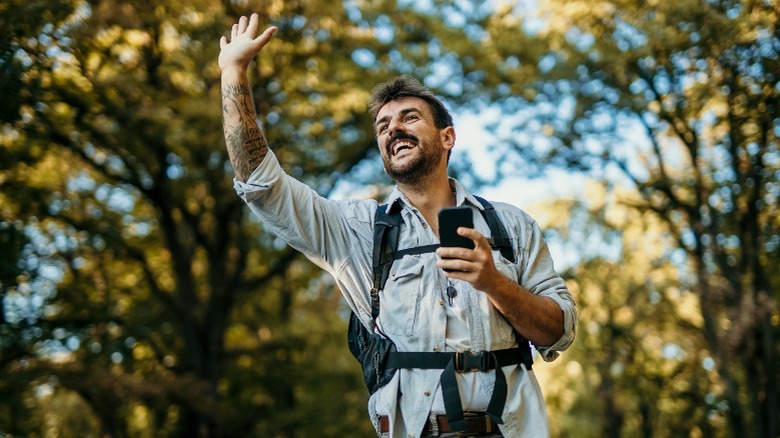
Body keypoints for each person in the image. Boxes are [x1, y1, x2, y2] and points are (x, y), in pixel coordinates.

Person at [219, 13, 577, 438]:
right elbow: (261, 186)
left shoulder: (510, 225)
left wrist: (493, 282)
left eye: (409, 118)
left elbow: (559, 332)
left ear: (447, 137)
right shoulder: (356, 231)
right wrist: (234, 73)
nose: (394, 130)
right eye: (383, 126)